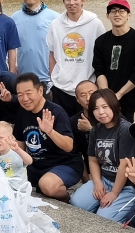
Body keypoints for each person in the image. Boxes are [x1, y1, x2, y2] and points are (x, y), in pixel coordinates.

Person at [12, 73, 83, 201]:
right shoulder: (22, 111)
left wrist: (50, 132)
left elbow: (68, 146)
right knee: (7, 175)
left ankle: (67, 198)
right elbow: (20, 143)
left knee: (47, 186)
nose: (25, 98)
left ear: (40, 90)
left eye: (29, 93)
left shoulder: (56, 112)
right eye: (20, 95)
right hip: (36, 165)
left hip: (65, 164)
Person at [71, 89, 135, 220]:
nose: (101, 112)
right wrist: (97, 183)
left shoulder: (125, 129)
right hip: (105, 179)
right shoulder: (95, 130)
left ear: (114, 106)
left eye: (105, 107)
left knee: (105, 218)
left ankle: (132, 207)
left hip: (127, 186)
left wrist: (114, 193)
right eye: (96, 108)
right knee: (77, 203)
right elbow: (92, 160)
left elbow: (124, 165)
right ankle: (103, 205)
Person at [44, 0, 103, 116]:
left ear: (83, 0)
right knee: (63, 127)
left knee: (87, 127)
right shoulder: (55, 24)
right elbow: (52, 53)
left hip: (87, 87)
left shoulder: (95, 23)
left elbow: (101, 54)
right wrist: (53, 79)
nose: (72, 3)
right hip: (61, 88)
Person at [93, 0, 135, 118]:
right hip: (107, 102)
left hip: (133, 100)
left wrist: (119, 94)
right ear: (107, 16)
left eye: (121, 11)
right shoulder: (101, 41)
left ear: (129, 15)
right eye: (113, 11)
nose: (117, 14)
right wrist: (107, 95)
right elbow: (99, 69)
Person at [10, 0, 59, 90]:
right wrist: (13, 66)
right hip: (23, 78)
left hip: (47, 79)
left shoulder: (54, 18)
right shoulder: (14, 18)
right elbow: (11, 46)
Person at [69, 80, 98, 170]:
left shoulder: (109, 116)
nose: (88, 98)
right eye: (83, 95)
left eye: (91, 93)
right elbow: (75, 155)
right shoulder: (73, 121)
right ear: (78, 100)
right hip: (90, 170)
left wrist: (90, 130)